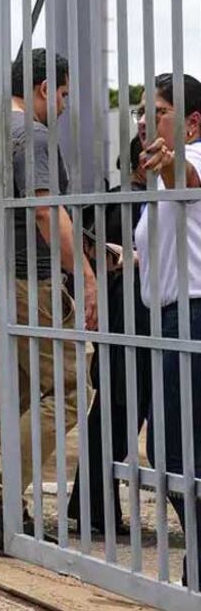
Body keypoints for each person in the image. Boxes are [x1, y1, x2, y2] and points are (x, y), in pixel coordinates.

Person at [0, 49, 98, 549]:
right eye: (63, 94)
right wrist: (83, 274)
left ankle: (4, 514)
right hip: (22, 282)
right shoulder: (31, 135)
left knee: (13, 395)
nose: (63, 105)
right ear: (42, 88)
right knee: (72, 389)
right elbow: (43, 211)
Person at [132, 72, 201, 578]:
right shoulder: (159, 178)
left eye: (156, 112)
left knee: (174, 451)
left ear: (192, 123)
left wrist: (172, 161)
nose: (143, 121)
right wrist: (124, 258)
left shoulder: (192, 159)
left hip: (191, 318)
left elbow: (189, 179)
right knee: (173, 450)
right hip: (171, 318)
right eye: (141, 112)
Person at [66, 136, 152, 536]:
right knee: (120, 415)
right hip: (136, 320)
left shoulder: (108, 203)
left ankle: (91, 506)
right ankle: (93, 507)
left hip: (117, 320)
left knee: (113, 414)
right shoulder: (137, 203)